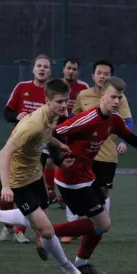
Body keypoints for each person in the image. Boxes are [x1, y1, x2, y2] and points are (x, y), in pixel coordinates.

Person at [38, 76, 137, 274]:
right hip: (72, 179)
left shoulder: (114, 119)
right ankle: (48, 232)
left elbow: (131, 138)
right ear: (103, 96)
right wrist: (58, 161)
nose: (117, 101)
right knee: (103, 224)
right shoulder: (87, 118)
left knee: (101, 222)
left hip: (86, 177)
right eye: (113, 97)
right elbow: (52, 134)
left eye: (120, 97)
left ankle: (82, 263)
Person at [0, 78, 83, 274]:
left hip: (35, 174)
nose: (64, 106)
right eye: (60, 102)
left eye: (66, 101)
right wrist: (7, 187)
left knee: (41, 225)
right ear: (47, 101)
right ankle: (69, 269)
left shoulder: (53, 116)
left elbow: (45, 135)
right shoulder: (31, 124)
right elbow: (5, 152)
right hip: (18, 181)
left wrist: (58, 144)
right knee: (46, 230)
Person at [59, 60, 133, 244]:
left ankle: (96, 227)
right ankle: (71, 227)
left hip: (106, 155)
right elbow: (73, 118)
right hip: (83, 155)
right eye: (99, 72)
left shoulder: (119, 98)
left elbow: (128, 122)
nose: (102, 76)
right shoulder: (83, 95)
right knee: (77, 191)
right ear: (93, 76)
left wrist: (124, 141)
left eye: (106, 73)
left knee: (101, 194)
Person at [0, 54, 51, 243]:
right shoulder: (22, 87)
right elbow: (7, 113)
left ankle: (21, 230)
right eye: (39, 66)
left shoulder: (51, 94)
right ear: (33, 69)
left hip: (38, 149)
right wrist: (16, 116)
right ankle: (7, 227)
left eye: (46, 66)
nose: (42, 69)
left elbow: (59, 122)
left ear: (50, 71)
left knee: (32, 192)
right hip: (17, 146)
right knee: (6, 191)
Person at [43, 57, 89, 209]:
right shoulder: (55, 86)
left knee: (71, 159)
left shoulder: (83, 88)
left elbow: (87, 111)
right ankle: (50, 190)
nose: (71, 72)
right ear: (63, 70)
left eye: (74, 69)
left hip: (74, 129)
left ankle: (65, 193)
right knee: (50, 159)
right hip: (56, 127)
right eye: (68, 68)